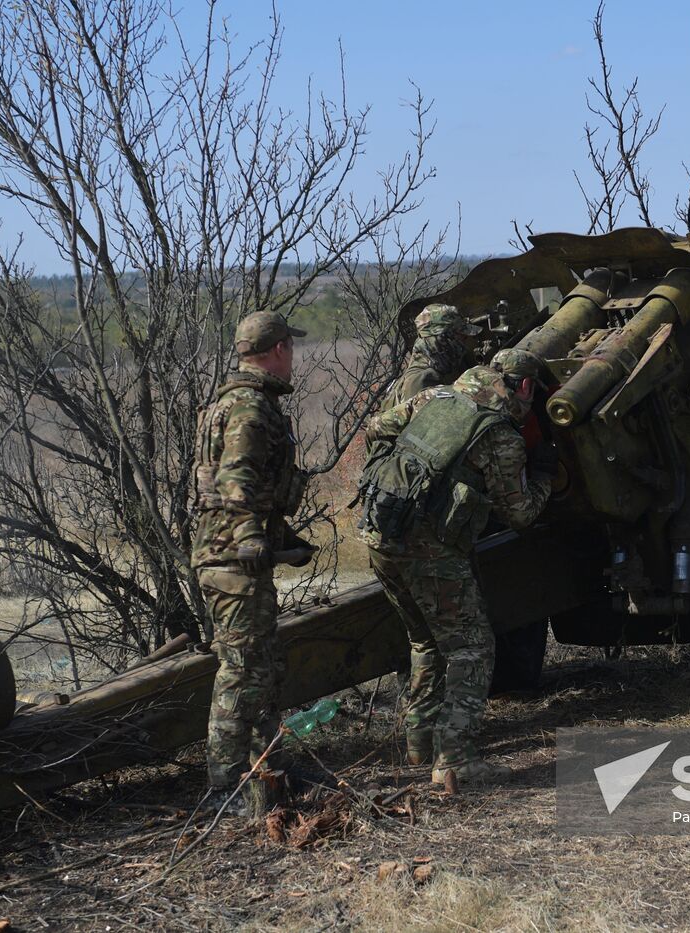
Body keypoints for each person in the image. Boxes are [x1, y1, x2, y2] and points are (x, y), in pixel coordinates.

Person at [358, 348, 557, 787]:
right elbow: (521, 514)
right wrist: (544, 476)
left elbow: (375, 429)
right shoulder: (500, 437)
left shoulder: (434, 398)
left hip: (379, 536)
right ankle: (455, 759)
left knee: (426, 641)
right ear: (524, 387)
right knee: (473, 648)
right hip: (431, 552)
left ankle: (420, 743)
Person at [190, 310, 315, 814]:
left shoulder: (232, 402)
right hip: (232, 561)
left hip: (230, 556)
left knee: (261, 667)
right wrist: (250, 537)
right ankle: (224, 787)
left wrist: (283, 538)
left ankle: (269, 769)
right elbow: (233, 481)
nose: (292, 358)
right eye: (291, 347)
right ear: (279, 349)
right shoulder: (249, 408)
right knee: (241, 671)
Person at [383, 303, 483, 409]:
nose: (465, 342)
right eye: (461, 337)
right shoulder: (420, 384)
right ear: (443, 341)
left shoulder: (444, 364)